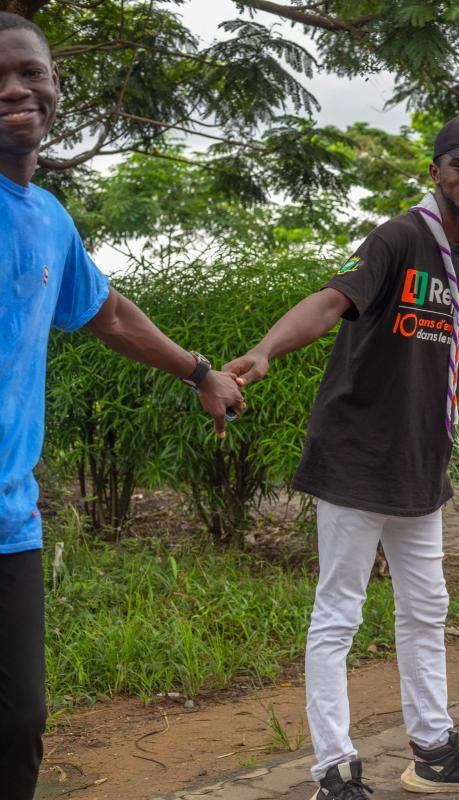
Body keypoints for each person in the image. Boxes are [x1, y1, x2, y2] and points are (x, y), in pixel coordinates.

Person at [226, 113, 459, 798]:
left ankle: (434, 748)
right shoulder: (398, 236)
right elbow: (331, 300)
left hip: (422, 459)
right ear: (436, 171)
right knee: (339, 613)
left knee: (427, 608)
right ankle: (334, 769)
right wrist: (265, 351)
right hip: (358, 454)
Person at [0, 15, 246, 800]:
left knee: (18, 725)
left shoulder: (48, 218)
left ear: (56, 86)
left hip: (9, 523)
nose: (15, 89)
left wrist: (199, 371)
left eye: (30, 72)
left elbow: (105, 312)